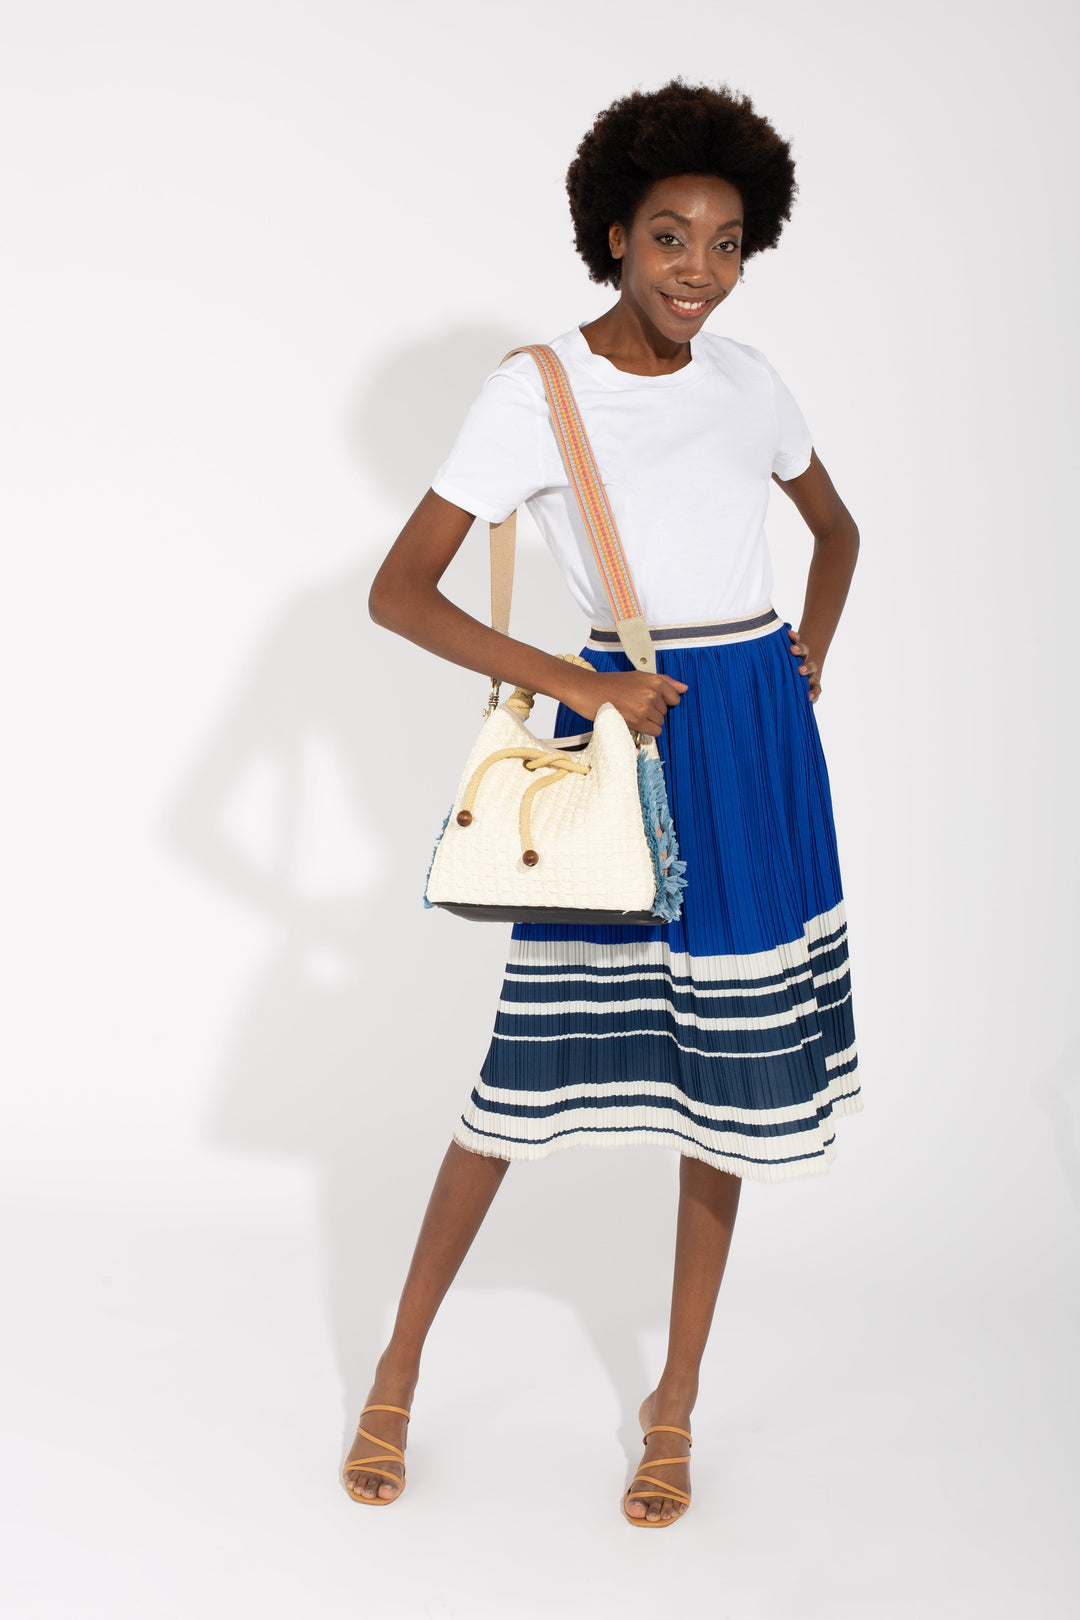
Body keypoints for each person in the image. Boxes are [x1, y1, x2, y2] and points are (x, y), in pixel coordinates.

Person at [345, 77, 862, 1526]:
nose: (698, 269)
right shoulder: (538, 393)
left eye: (727, 241)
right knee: (518, 1082)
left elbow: (837, 529)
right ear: (613, 238)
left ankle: (673, 1401)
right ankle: (396, 1371)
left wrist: (806, 653)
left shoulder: (751, 382)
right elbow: (399, 593)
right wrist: (582, 691)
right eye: (669, 237)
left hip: (751, 740)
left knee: (734, 1096)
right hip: (626, 745)